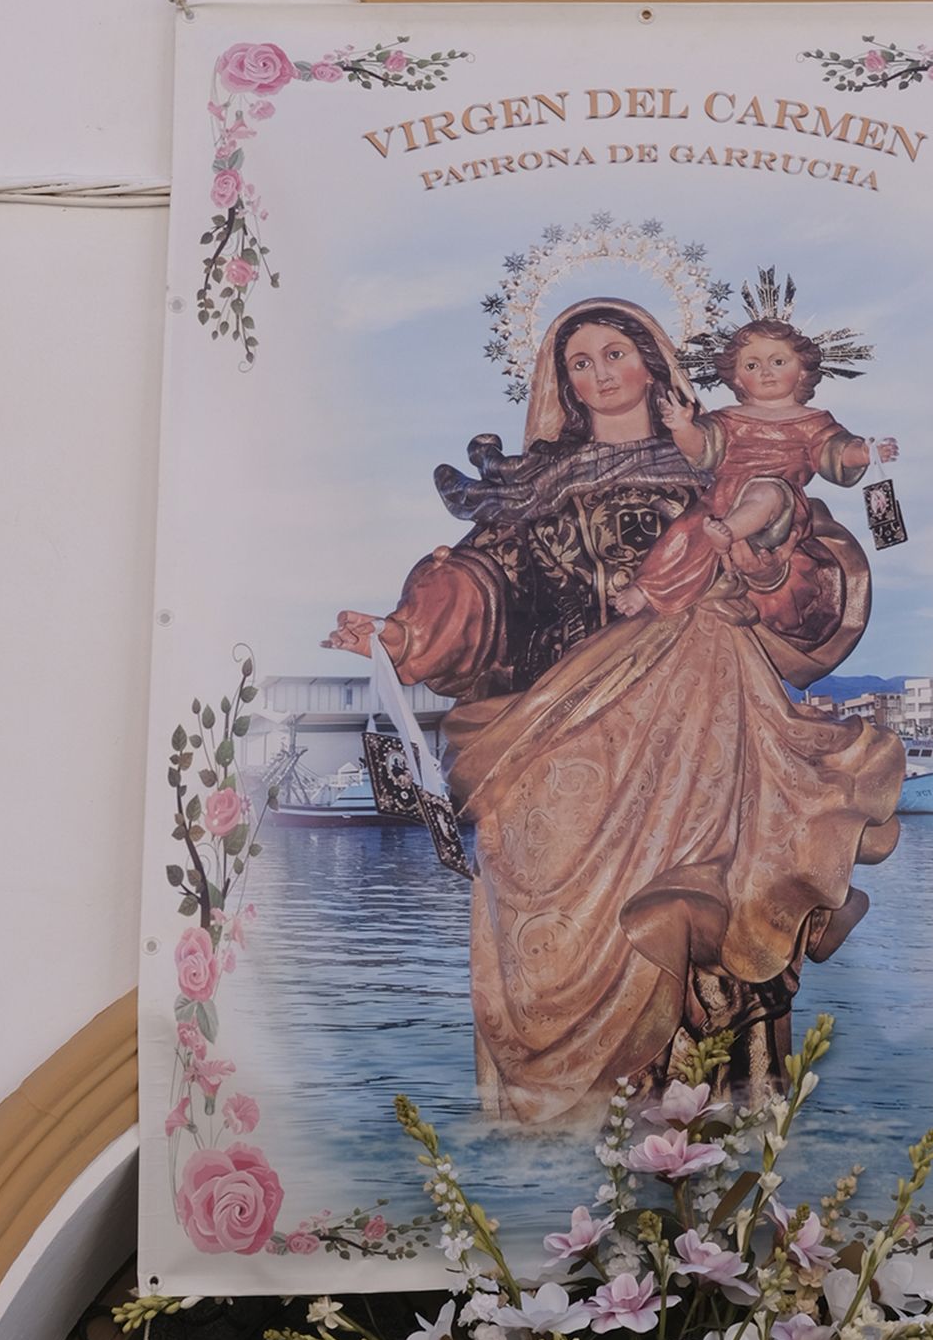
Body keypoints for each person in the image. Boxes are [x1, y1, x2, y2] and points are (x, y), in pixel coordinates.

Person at [326, 300, 902, 1129]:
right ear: (561, 383)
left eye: (614, 352)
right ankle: (569, 1148)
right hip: (564, 717)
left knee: (701, 905)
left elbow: (813, 560)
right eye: (579, 362)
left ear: (653, 363)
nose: (598, 373)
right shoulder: (533, 490)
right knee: (547, 917)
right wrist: (404, 630)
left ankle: (715, 1135)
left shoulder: (717, 464)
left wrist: (762, 566)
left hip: (695, 712)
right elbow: (483, 591)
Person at [612, 313, 898, 618]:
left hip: (780, 505)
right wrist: (683, 428)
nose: (765, 372)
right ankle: (647, 588)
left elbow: (834, 452)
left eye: (778, 362)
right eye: (752, 365)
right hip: (721, 498)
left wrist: (866, 452)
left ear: (802, 371)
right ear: (736, 378)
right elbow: (701, 450)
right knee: (683, 532)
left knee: (765, 492)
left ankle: (730, 531)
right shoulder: (728, 418)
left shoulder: (813, 421)